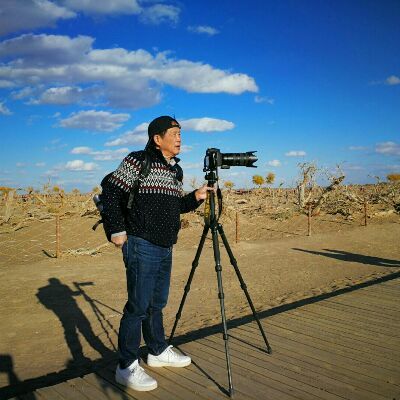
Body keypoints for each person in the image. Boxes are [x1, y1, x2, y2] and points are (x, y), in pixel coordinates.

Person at [101, 115, 212, 391]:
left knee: (156, 304)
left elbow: (176, 206)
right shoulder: (137, 161)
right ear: (157, 138)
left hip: (165, 246)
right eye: (174, 134)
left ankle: (157, 351)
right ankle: (126, 366)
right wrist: (116, 230)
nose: (179, 138)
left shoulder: (176, 170)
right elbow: (111, 192)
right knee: (137, 307)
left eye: (180, 134)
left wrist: (195, 197)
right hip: (141, 243)